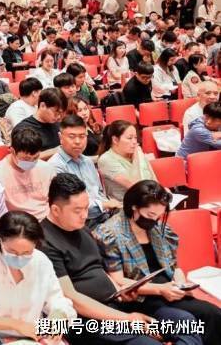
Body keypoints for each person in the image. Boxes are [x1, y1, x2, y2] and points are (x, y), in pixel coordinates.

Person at [41, 173, 198, 345]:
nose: (85, 215)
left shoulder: (80, 227)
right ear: (55, 210)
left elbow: (98, 269)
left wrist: (119, 290)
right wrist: (127, 318)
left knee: (187, 323)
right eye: (78, 211)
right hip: (88, 319)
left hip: (118, 304)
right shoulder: (45, 242)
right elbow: (71, 298)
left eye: (86, 208)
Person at [95, 180, 221, 345]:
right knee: (201, 317)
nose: (155, 220)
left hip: (168, 290)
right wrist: (160, 289)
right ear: (134, 206)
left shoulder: (157, 228)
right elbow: (119, 282)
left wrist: (181, 284)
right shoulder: (110, 233)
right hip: (141, 298)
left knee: (212, 313)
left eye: (159, 216)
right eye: (150, 215)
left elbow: (174, 266)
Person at [0, 211, 76, 344]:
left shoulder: (40, 261)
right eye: (12, 252)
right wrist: (17, 325)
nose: (19, 258)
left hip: (36, 338)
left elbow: (56, 299)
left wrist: (59, 317)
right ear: (0, 239)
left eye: (27, 252)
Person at [48, 115, 120, 229]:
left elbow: (99, 192)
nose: (77, 141)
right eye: (72, 136)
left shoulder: (88, 161)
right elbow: (70, 206)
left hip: (104, 215)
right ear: (60, 137)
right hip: (82, 223)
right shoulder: (55, 166)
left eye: (82, 136)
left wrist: (110, 205)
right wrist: (104, 205)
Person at [0, 127, 54, 221]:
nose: (31, 162)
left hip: (47, 219)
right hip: (18, 222)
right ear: (12, 151)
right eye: (26, 159)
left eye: (35, 158)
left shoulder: (47, 168)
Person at [98, 120, 158, 201]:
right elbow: (136, 186)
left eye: (135, 138)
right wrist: (136, 157)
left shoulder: (136, 151)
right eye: (129, 138)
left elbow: (153, 178)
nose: (134, 142)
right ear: (115, 140)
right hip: (127, 204)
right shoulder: (106, 160)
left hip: (151, 199)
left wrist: (161, 192)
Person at [11, 88, 67, 159]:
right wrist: (57, 150)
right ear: (42, 105)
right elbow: (24, 159)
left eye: (61, 113)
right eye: (56, 112)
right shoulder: (23, 129)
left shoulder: (58, 124)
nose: (58, 117)